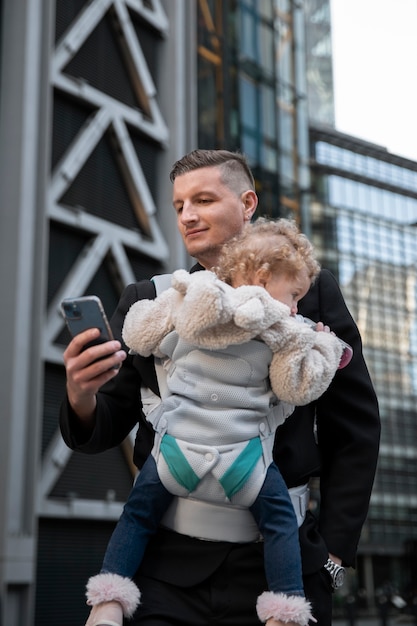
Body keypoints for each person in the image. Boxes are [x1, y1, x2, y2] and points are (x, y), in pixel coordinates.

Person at [60, 149, 380, 626]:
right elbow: (108, 424)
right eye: (179, 205)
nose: (188, 216)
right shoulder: (151, 298)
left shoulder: (309, 292)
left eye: (204, 200)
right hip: (165, 572)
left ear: (247, 202)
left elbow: (354, 429)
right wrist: (80, 395)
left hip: (284, 568)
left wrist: (333, 557)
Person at [83, 218, 344, 626]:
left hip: (173, 455)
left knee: (137, 515)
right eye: (294, 294)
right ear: (262, 276)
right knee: (279, 523)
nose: (295, 306)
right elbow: (296, 388)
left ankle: (107, 602)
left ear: (246, 204)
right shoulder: (285, 328)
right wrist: (324, 345)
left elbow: (138, 333)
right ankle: (284, 613)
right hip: (244, 462)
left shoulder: (186, 295)